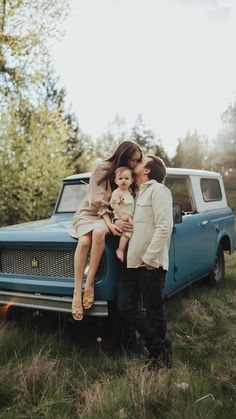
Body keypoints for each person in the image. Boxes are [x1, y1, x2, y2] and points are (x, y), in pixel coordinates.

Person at [70, 141, 143, 321]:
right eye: (134, 160)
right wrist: (110, 225)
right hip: (90, 212)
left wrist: (119, 221)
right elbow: (96, 202)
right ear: (124, 154)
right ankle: (76, 292)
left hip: (112, 216)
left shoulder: (129, 176)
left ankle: (90, 284)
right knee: (84, 241)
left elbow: (130, 201)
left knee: (99, 233)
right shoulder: (102, 168)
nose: (135, 164)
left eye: (138, 161)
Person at [117, 155, 174, 368]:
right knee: (125, 305)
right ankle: (160, 346)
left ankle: (158, 359)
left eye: (141, 162)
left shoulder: (159, 190)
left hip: (150, 263)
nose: (136, 164)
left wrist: (150, 258)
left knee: (154, 310)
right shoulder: (136, 193)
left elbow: (164, 226)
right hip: (132, 263)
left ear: (147, 170)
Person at [110, 166, 135, 262]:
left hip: (128, 215)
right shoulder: (117, 192)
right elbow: (114, 205)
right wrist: (121, 216)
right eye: (120, 179)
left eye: (126, 178)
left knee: (130, 231)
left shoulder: (129, 191)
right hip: (122, 215)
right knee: (128, 231)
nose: (123, 181)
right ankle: (120, 250)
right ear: (116, 181)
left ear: (131, 181)